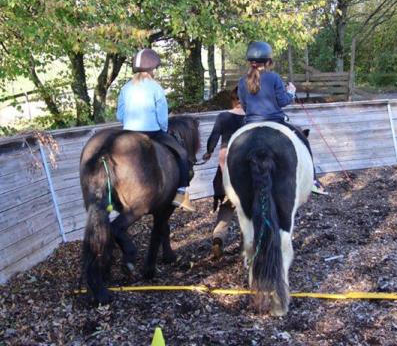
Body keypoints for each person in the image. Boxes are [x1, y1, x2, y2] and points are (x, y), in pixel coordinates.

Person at [238, 41, 327, 195]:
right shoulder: (274, 78)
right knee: (303, 140)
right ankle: (312, 180)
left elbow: (244, 106)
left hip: (250, 124)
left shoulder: (241, 81)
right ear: (268, 61)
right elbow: (283, 101)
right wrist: (291, 92)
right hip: (275, 122)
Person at [116, 48, 196, 212]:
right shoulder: (155, 88)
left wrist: (129, 124)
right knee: (181, 153)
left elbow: (120, 115)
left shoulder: (125, 88)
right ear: (152, 69)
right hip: (151, 132)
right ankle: (181, 195)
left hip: (129, 132)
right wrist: (164, 130)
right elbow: (161, 116)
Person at [202, 87, 245, 257]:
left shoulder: (223, 116)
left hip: (226, 162)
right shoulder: (251, 117)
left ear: (233, 99)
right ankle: (244, 244)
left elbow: (213, 136)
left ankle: (218, 238)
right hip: (245, 162)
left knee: (227, 204)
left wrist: (209, 152)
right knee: (245, 206)